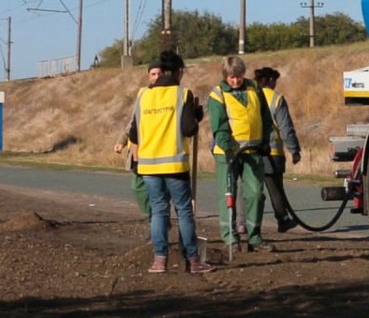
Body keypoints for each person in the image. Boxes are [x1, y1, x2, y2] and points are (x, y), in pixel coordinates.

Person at [128, 50, 214, 274]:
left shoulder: (143, 96)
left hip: (148, 165)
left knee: (158, 212)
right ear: (177, 72)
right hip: (174, 164)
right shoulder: (181, 94)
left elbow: (134, 134)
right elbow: (189, 129)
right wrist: (196, 115)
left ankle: (159, 260)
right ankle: (193, 260)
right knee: (184, 212)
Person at [209, 55, 274, 253]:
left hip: (253, 152)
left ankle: (254, 237)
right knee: (228, 195)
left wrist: (265, 142)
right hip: (227, 154)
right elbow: (219, 127)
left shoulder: (254, 89)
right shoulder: (217, 95)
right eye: (231, 77)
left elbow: (265, 117)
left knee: (255, 194)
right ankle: (230, 238)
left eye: (238, 76)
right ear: (225, 77)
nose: (235, 81)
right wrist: (229, 148)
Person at [254, 67, 302, 233]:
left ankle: (242, 223)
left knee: (251, 189)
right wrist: (294, 150)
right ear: (270, 80)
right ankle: (282, 219)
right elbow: (285, 127)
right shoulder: (277, 99)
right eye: (275, 80)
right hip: (273, 152)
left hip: (251, 151)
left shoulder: (249, 96)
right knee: (275, 188)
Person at [114, 59, 163, 222]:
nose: (156, 77)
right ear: (148, 76)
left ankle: (158, 222)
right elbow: (134, 120)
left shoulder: (170, 94)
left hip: (159, 150)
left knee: (159, 190)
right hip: (139, 149)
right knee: (138, 187)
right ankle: (153, 218)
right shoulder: (143, 93)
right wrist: (122, 139)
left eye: (159, 74)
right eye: (153, 74)